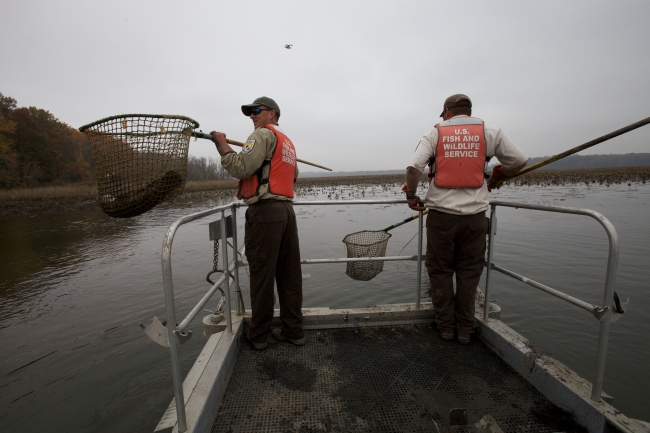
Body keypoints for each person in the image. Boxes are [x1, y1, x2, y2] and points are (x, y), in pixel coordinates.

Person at [404, 94, 527, 344]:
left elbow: (414, 168)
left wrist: (411, 195)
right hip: (475, 220)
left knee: (440, 272)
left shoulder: (435, 133)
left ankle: (446, 328)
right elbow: (519, 161)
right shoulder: (489, 131)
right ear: (468, 111)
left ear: (447, 112)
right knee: (469, 274)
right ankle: (464, 330)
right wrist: (498, 175)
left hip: (441, 219)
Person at [210, 96, 305, 350]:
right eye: (249, 112)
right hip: (286, 212)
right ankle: (294, 331)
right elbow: (293, 175)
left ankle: (259, 335)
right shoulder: (287, 143)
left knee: (262, 275)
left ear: (272, 114)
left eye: (256, 110)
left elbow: (241, 167)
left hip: (266, 214)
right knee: (289, 275)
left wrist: (221, 144)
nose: (251, 116)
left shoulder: (262, 135)